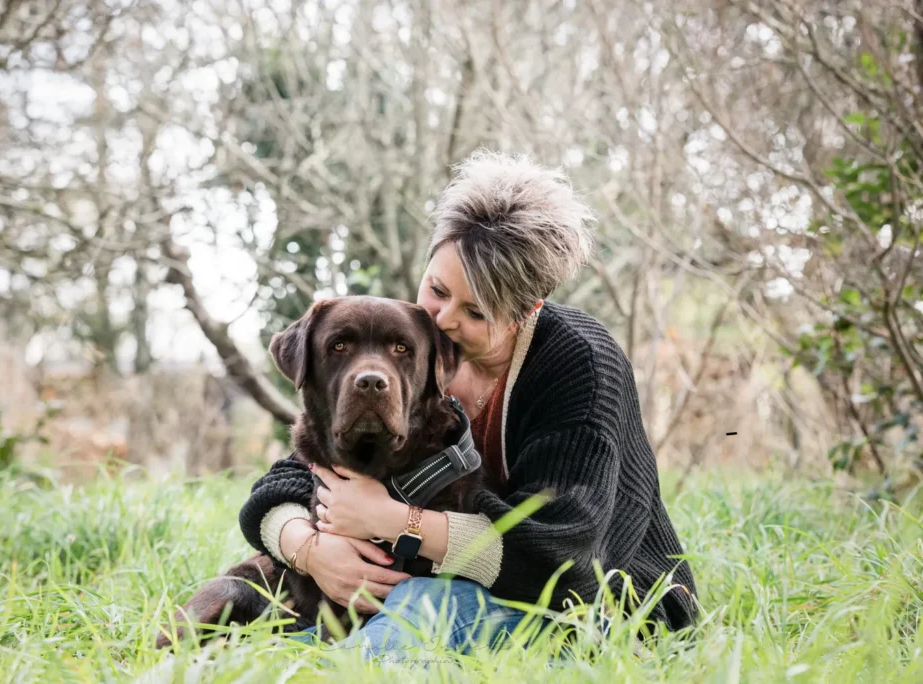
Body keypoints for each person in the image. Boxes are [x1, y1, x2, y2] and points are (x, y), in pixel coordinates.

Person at [237, 150, 698, 659]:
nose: (443, 318)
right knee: (270, 598)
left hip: (606, 610)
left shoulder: (580, 365)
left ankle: (325, 668)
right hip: (467, 591)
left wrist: (391, 520)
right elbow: (294, 477)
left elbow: (562, 564)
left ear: (526, 310)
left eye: (475, 311)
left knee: (421, 603)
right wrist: (310, 549)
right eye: (436, 289)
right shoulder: (416, 352)